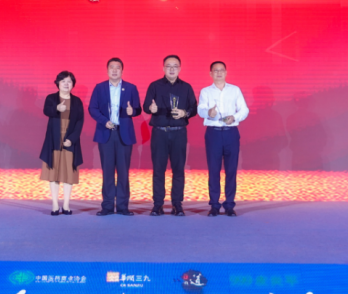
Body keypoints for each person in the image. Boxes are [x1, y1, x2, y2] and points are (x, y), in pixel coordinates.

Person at [143, 55, 197, 216]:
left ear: (180, 68)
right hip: (159, 132)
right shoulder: (154, 86)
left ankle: (177, 205)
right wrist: (151, 109)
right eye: (168, 66)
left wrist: (184, 113)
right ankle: (157, 205)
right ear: (163, 68)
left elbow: (194, 108)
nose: (172, 69)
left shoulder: (186, 87)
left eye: (175, 66)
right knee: (158, 170)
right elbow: (145, 106)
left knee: (178, 170)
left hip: (179, 132)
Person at [88, 57, 142, 216]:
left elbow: (138, 109)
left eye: (117, 67)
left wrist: (133, 111)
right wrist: (104, 121)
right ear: (107, 70)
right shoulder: (100, 88)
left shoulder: (131, 88)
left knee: (123, 172)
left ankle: (123, 206)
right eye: (111, 67)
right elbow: (92, 108)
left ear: (122, 71)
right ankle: (107, 206)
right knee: (108, 171)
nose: (114, 70)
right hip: (106, 133)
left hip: (124, 134)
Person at [198, 61, 249, 217]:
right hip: (213, 133)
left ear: (226, 73)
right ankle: (214, 205)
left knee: (231, 170)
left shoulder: (235, 90)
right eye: (215, 70)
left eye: (221, 70)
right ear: (210, 74)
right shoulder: (205, 91)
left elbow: (244, 109)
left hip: (231, 132)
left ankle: (229, 205)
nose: (219, 73)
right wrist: (209, 113)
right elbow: (200, 109)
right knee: (213, 170)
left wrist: (234, 117)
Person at [39, 71, 84, 215]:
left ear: (73, 84)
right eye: (63, 81)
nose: (66, 84)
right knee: (54, 173)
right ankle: (54, 204)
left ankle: (66, 205)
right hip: (54, 139)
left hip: (70, 140)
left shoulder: (77, 101)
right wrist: (57, 109)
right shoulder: (51, 98)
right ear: (58, 83)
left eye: (69, 81)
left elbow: (80, 122)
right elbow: (46, 110)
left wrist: (72, 139)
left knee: (68, 173)